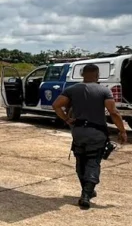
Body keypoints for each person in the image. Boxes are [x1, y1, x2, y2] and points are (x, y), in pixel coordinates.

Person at [52, 63, 127, 209]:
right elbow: (113, 112)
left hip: (78, 132)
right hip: (97, 133)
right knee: (93, 162)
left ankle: (87, 190)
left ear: (82, 74)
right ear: (97, 75)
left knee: (81, 163)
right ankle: (86, 195)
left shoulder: (71, 90)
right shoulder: (103, 91)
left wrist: (66, 119)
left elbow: (56, 105)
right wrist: (122, 131)